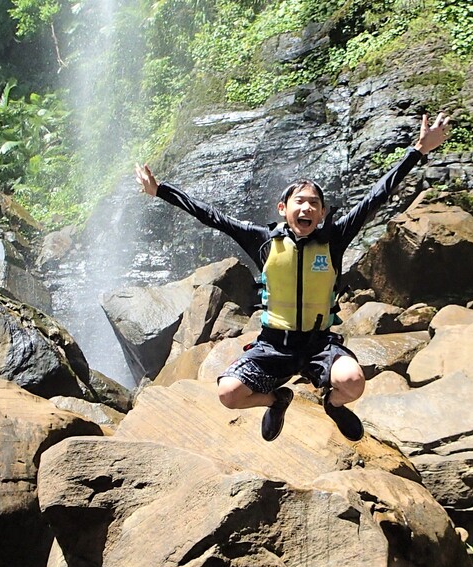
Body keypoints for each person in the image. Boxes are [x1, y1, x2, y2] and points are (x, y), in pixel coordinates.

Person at [134, 112, 451, 442]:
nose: (307, 208)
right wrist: (160, 191)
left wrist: (418, 150)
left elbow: (376, 196)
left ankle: (333, 403)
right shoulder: (262, 241)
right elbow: (212, 216)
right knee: (229, 393)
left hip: (319, 344)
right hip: (273, 345)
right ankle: (277, 400)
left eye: (314, 203)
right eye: (299, 201)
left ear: (322, 213)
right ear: (283, 209)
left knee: (353, 383)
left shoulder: (334, 239)